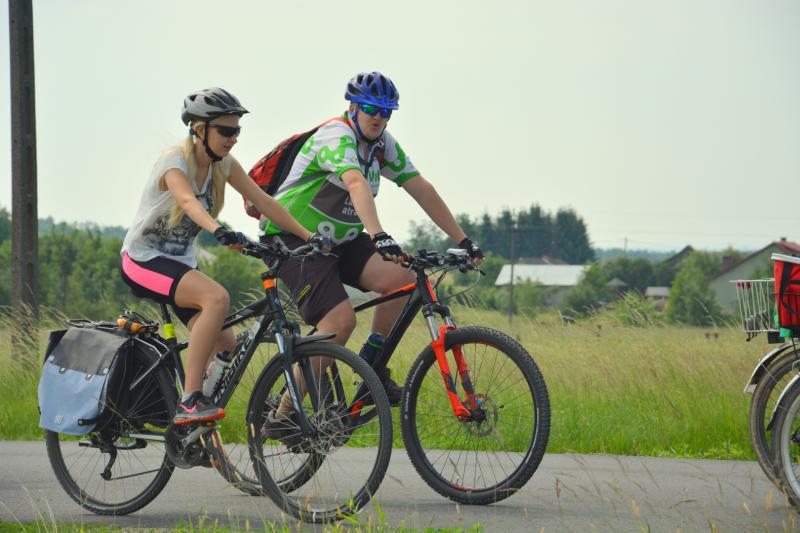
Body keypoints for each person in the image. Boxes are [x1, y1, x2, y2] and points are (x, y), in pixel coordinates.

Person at [260, 72, 484, 435]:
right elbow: (355, 182)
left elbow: (420, 188)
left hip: (341, 241)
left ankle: (372, 362)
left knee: (403, 278)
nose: (378, 117)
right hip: (293, 239)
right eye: (370, 108)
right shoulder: (336, 135)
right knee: (339, 323)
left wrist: (463, 240)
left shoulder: (382, 145)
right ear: (353, 107)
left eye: (386, 111)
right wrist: (379, 236)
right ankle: (283, 412)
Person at [120, 87, 324, 425]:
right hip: (142, 260)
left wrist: (309, 236)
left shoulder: (223, 164)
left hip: (180, 264)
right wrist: (219, 230)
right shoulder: (175, 161)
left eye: (237, 131)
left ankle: (196, 432)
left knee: (227, 343)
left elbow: (264, 202)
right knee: (217, 298)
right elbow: (187, 201)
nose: (233, 139)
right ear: (200, 130)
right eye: (226, 131)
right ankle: (190, 400)